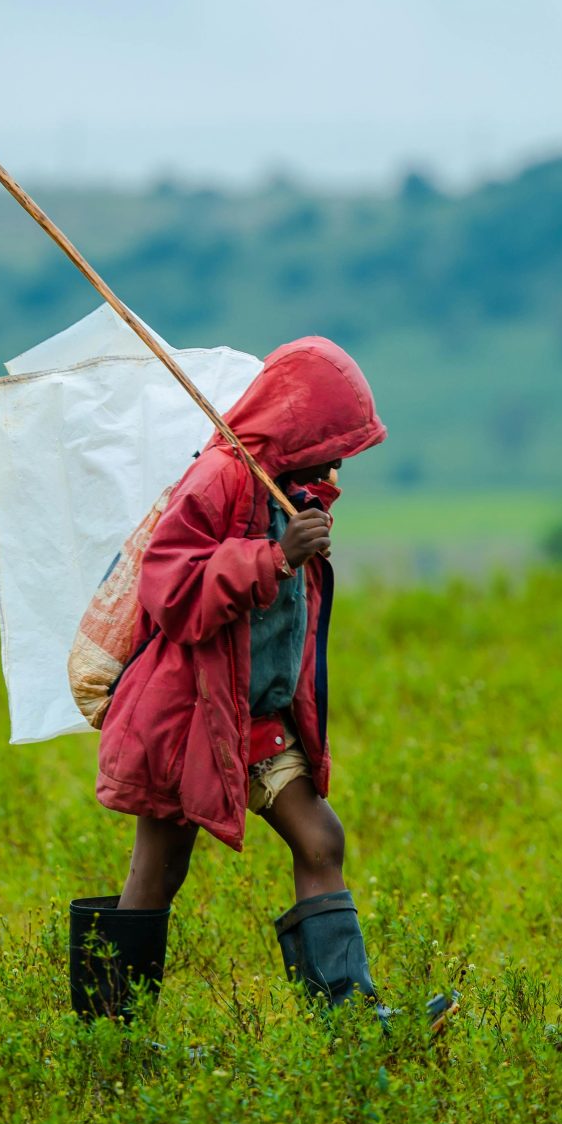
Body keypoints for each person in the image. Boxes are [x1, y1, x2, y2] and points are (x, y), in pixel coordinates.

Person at [67, 336, 455, 1032]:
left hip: (254, 718)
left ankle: (349, 1029)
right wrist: (275, 556)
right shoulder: (218, 478)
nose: (337, 462)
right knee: (158, 869)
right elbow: (172, 589)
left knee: (321, 840)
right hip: (186, 716)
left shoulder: (294, 491)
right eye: (332, 443)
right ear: (295, 428)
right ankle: (109, 1039)